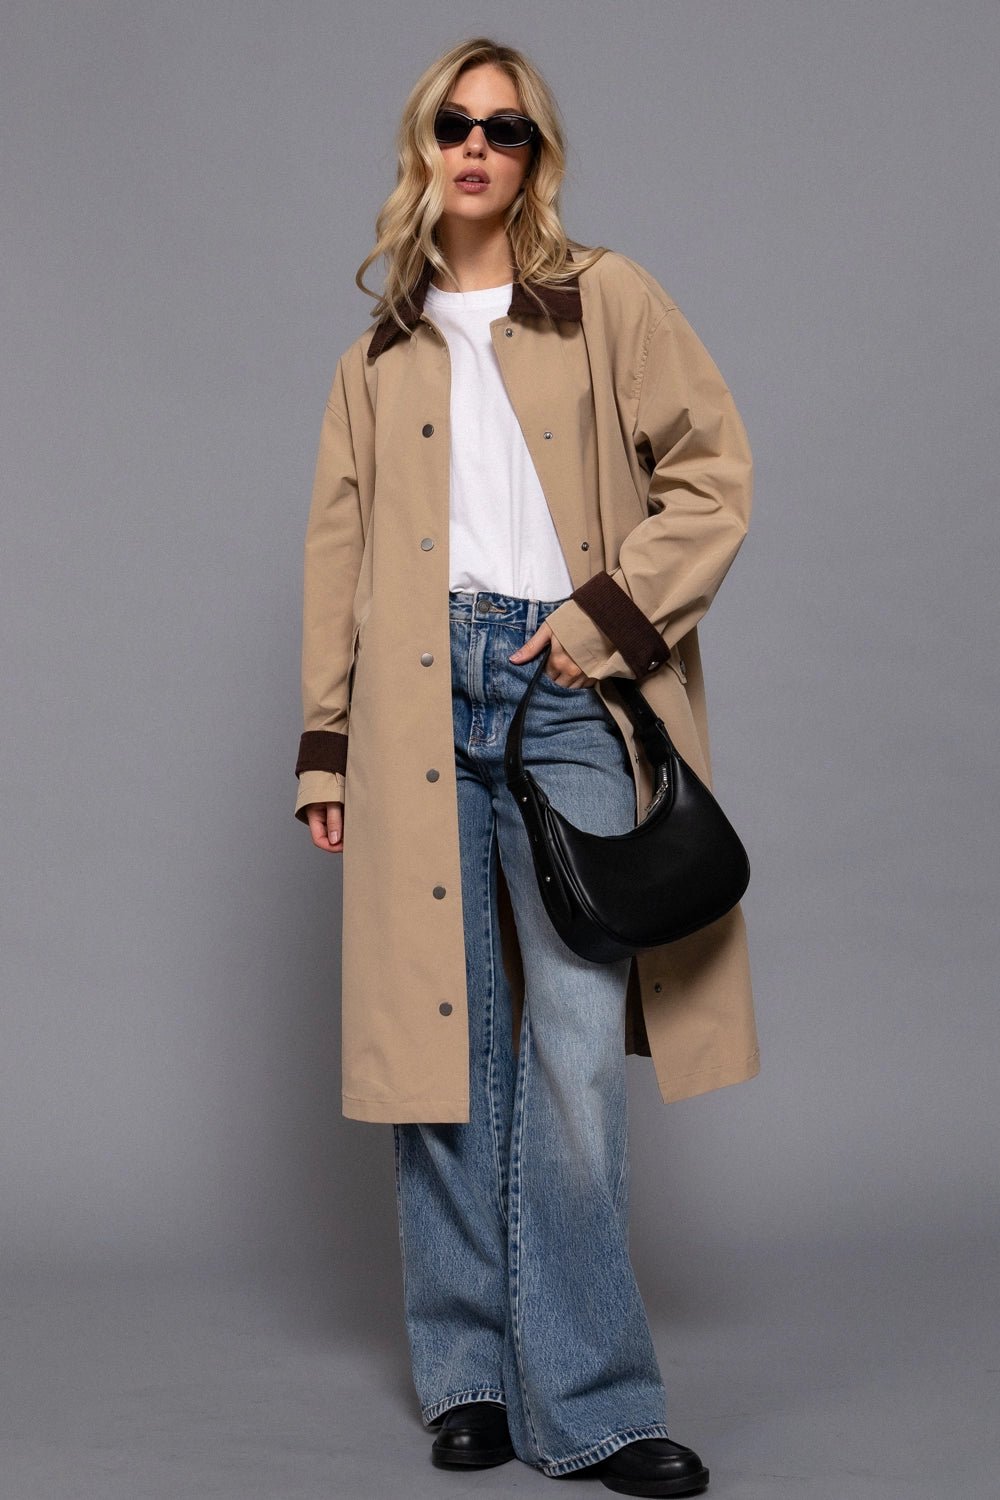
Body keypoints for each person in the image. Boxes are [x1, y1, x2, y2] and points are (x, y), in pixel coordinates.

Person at [292, 35, 759, 1497]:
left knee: (570, 1057)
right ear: (423, 147)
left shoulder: (606, 298)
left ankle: (597, 1402)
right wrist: (325, 749)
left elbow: (713, 474)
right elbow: (338, 560)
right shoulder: (377, 356)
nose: (477, 147)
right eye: (455, 123)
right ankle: (472, 1379)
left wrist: (603, 621)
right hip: (413, 704)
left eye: (505, 128)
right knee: (438, 1054)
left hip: (565, 687)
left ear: (536, 155)